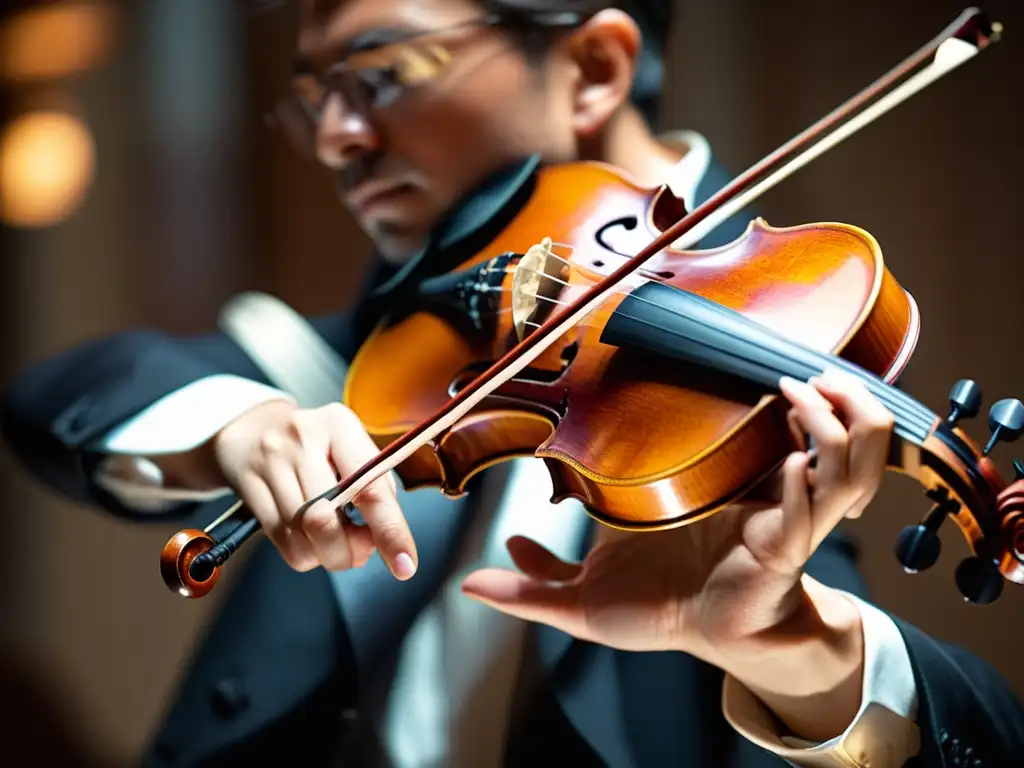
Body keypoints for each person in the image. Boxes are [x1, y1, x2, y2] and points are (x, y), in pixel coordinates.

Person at [2, 0, 1022, 766]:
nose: (334, 141)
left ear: (591, 65)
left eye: (385, 72)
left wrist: (801, 654)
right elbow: (71, 390)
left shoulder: (754, 378)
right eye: (315, 96)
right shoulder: (411, 331)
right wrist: (241, 426)